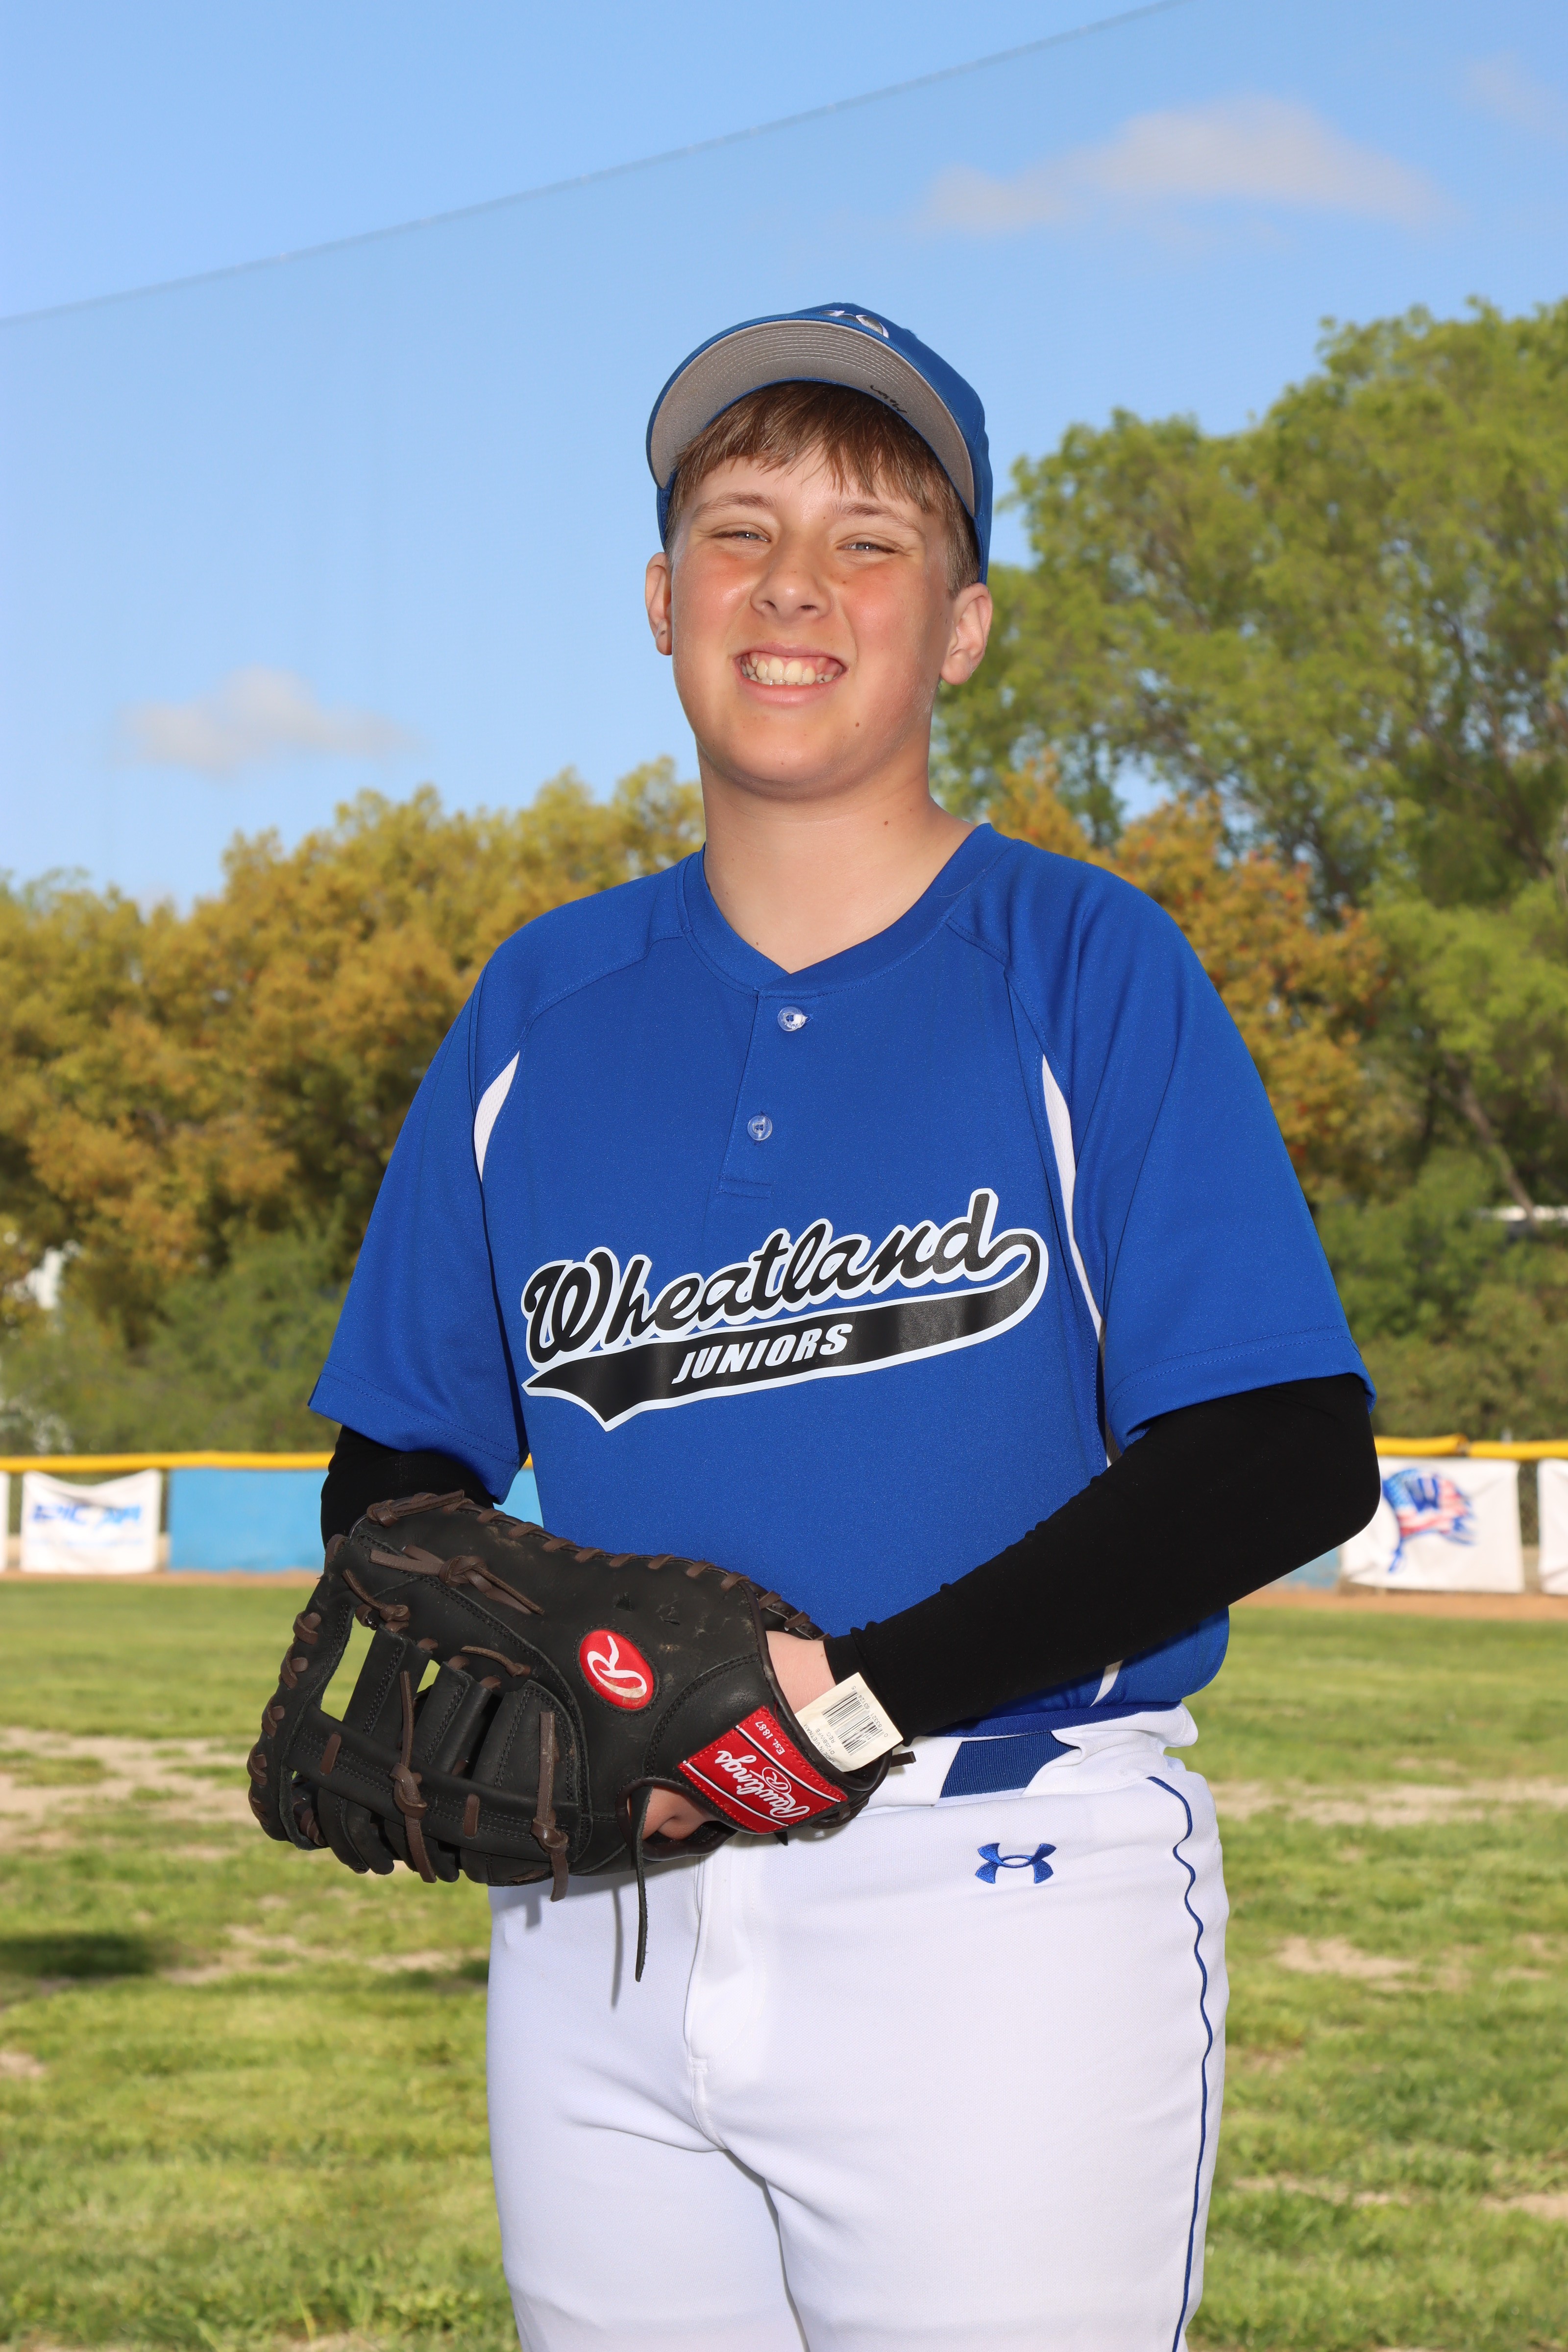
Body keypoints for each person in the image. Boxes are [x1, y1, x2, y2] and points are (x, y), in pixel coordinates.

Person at [312, 303, 1379, 2352]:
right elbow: (403, 1459)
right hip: (601, 1911)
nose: (793, 582)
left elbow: (1278, 1448)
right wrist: (547, 1675)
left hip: (996, 1889)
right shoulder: (539, 1008)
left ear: (960, 629)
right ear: (661, 601)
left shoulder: (1082, 962)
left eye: (870, 542)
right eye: (739, 529)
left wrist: (850, 1704)